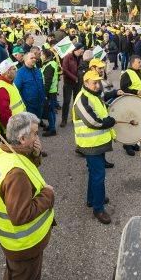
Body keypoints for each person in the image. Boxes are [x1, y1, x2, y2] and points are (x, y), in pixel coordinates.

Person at [0, 112, 55, 280]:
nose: (37, 136)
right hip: (25, 242)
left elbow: (28, 169)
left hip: (10, 241)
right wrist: (48, 195)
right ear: (22, 139)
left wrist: (34, 154)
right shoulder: (15, 174)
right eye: (34, 133)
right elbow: (21, 214)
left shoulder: (1, 152)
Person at [73, 70, 119, 224]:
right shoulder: (82, 99)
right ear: (85, 83)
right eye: (94, 82)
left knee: (95, 173)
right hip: (91, 144)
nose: (97, 84)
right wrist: (109, 122)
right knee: (99, 175)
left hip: (98, 142)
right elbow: (93, 122)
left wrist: (113, 94)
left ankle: (92, 199)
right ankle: (98, 209)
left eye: (98, 82)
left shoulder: (94, 95)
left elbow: (101, 106)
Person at [0, 58, 26, 133]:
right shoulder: (1, 89)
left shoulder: (9, 82)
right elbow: (4, 114)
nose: (16, 70)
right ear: (8, 72)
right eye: (14, 69)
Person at [15, 51, 47, 120]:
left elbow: (41, 85)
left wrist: (44, 97)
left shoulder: (37, 71)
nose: (34, 59)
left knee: (37, 124)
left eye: (35, 58)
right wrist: (24, 104)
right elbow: (17, 90)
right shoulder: (20, 73)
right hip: (29, 107)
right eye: (31, 58)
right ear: (25, 59)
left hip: (39, 104)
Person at [59, 43, 83, 127]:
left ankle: (75, 118)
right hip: (68, 82)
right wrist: (74, 78)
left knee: (76, 102)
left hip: (78, 83)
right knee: (66, 101)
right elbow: (65, 69)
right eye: (81, 49)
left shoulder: (81, 58)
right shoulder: (68, 57)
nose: (82, 50)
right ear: (76, 49)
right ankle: (64, 120)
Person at [40, 49, 59, 137]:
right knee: (51, 110)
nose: (40, 56)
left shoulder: (49, 66)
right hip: (52, 90)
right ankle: (51, 126)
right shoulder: (50, 63)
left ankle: (52, 129)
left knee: (50, 110)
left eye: (41, 54)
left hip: (50, 91)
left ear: (45, 56)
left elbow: (47, 82)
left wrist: (45, 94)